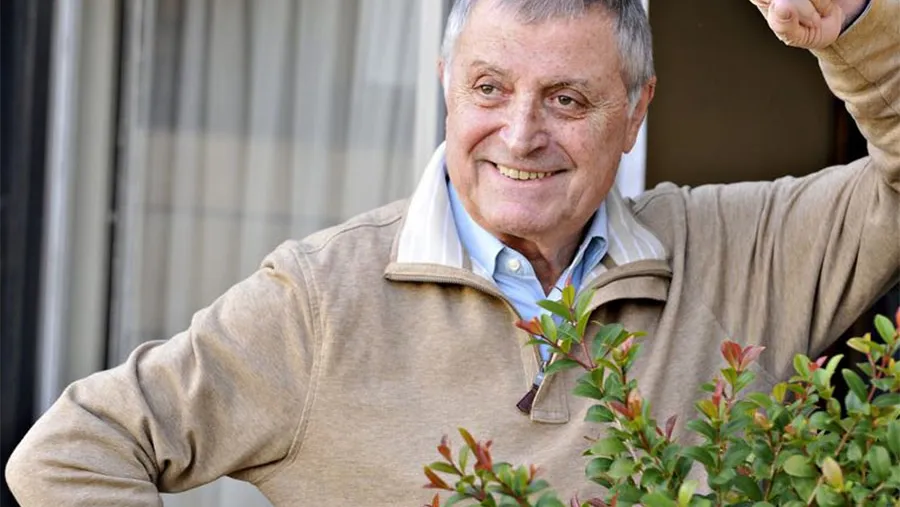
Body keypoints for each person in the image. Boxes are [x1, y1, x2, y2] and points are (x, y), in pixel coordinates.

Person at [6, 0, 898, 504]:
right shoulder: (321, 301)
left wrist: (855, 25)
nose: (520, 133)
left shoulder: (746, 252)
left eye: (568, 100)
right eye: (488, 87)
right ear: (446, 86)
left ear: (637, 110)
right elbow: (74, 449)